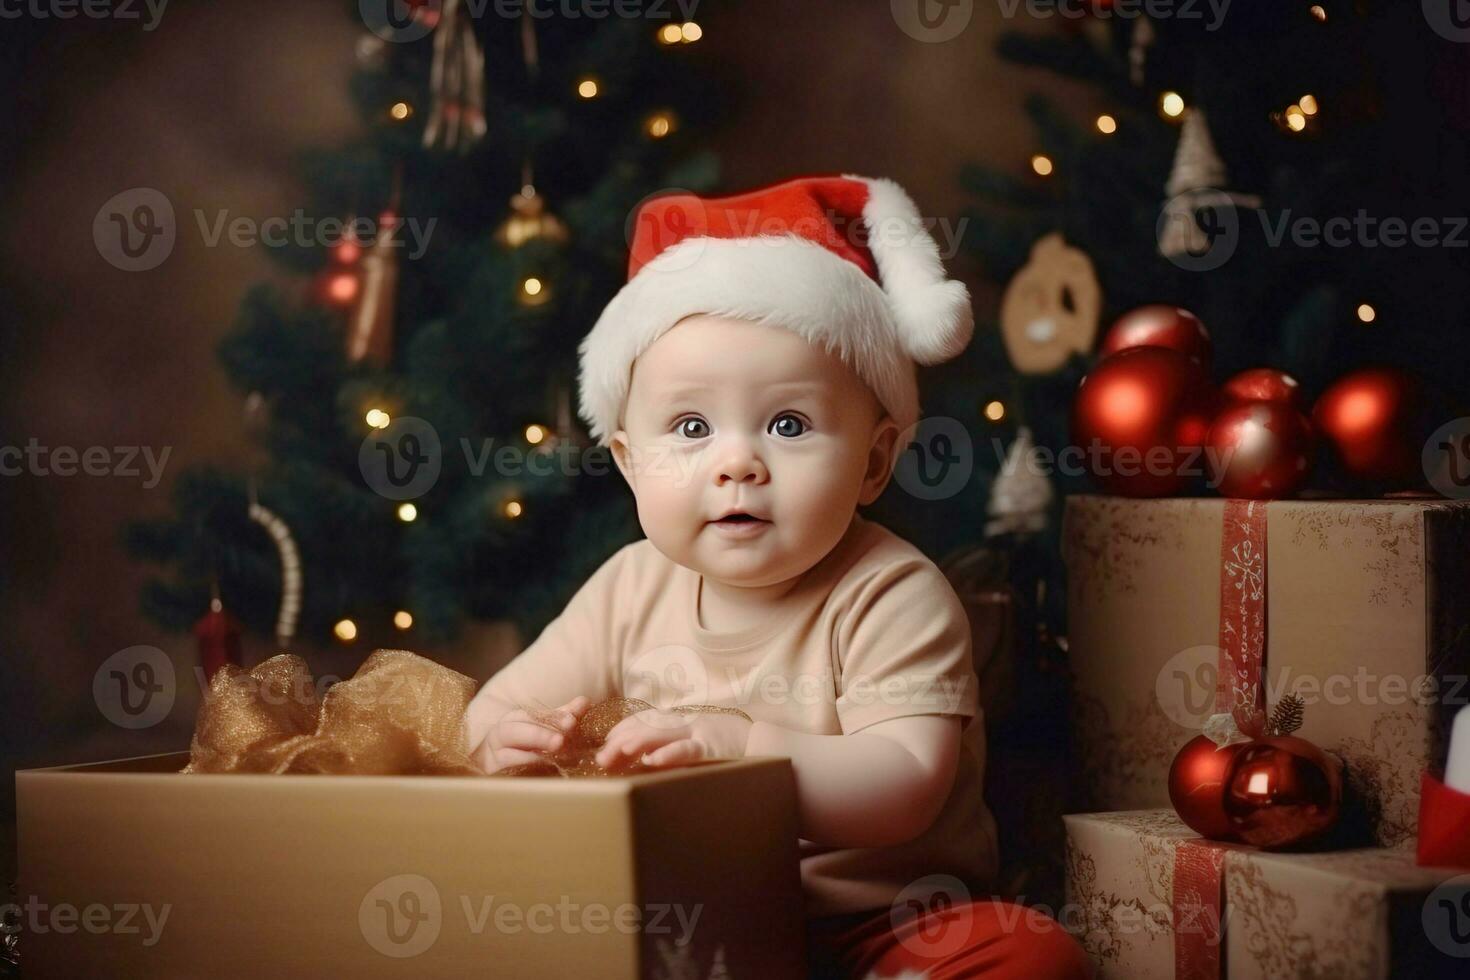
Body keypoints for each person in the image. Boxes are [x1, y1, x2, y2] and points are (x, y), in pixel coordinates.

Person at [464, 175, 1092, 980]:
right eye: (690, 427)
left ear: (873, 461)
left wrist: (746, 749)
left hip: (879, 924)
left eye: (788, 424)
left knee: (1031, 955)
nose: (737, 464)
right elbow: (502, 705)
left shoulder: (891, 592)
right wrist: (497, 744)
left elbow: (906, 783)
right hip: (696, 922)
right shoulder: (629, 585)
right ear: (628, 464)